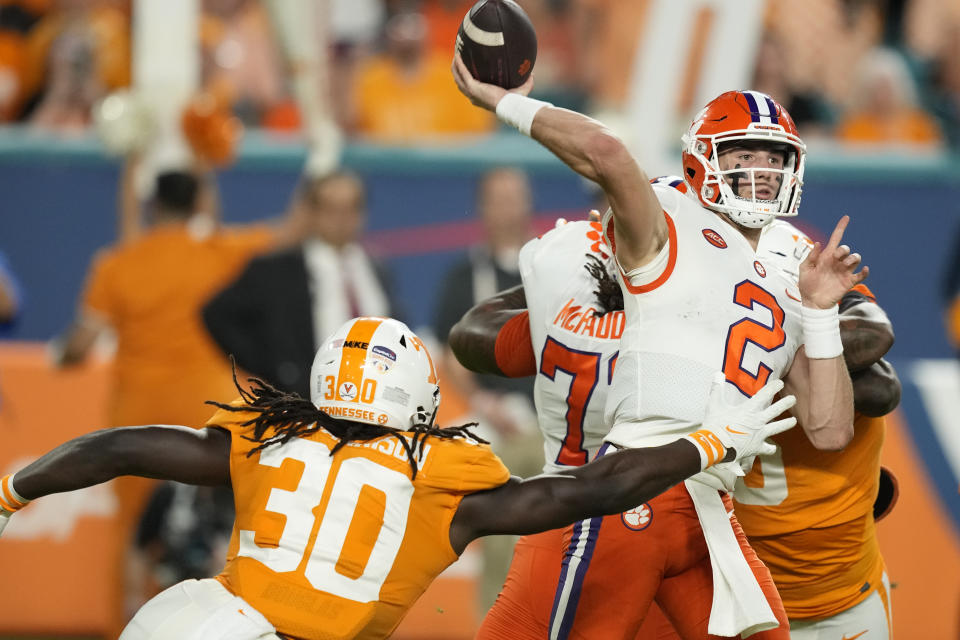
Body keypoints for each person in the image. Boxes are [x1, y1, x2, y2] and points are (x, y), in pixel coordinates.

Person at [0, 316, 796, 640]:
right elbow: (583, 492)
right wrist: (707, 443)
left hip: (199, 625)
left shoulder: (268, 434)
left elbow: (120, 446)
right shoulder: (441, 473)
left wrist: (12, 491)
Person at [453, 58, 866, 639]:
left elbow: (829, 429)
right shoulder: (670, 221)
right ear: (702, 159)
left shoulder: (792, 272)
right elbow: (609, 156)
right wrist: (505, 102)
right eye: (743, 155)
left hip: (711, 507)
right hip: (637, 486)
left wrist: (821, 313)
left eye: (774, 158)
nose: (761, 170)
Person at [52, 165, 273, 627]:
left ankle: (129, 630)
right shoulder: (222, 251)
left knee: (134, 535)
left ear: (154, 207)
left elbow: (80, 345)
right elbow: (289, 231)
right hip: (212, 417)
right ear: (199, 204)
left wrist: (62, 353)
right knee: (225, 534)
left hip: (138, 416)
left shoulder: (117, 263)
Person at [732, 220, 901, 639]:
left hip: (847, 593)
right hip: (743, 600)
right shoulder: (700, 358)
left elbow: (873, 339)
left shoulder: (841, 342)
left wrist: (799, 339)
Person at [433, 166, 542, 610]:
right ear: (482, 208)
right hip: (496, 422)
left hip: (552, 420)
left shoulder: (549, 266)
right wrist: (481, 402)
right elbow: (449, 350)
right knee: (502, 537)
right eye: (497, 198)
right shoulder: (464, 275)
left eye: (514, 197)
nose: (507, 208)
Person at [203, 170, 404, 399]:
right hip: (308, 404)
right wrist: (279, 370)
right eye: (331, 209)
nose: (342, 219)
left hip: (374, 402)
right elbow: (217, 314)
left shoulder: (376, 268)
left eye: (351, 208)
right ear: (313, 212)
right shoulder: (278, 270)